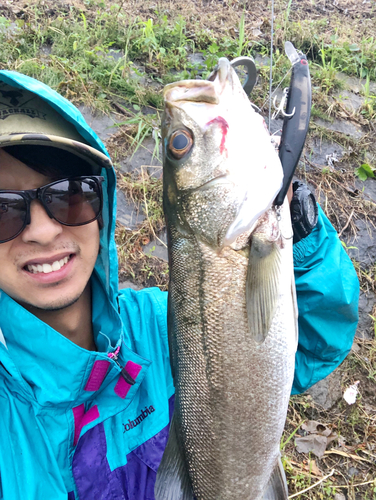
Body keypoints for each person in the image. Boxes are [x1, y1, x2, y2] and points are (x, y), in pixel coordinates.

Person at [0, 70, 359, 500]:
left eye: (70, 194)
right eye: (3, 210)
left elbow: (311, 346)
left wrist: (299, 236)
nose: (41, 231)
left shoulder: (158, 327)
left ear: (103, 205)